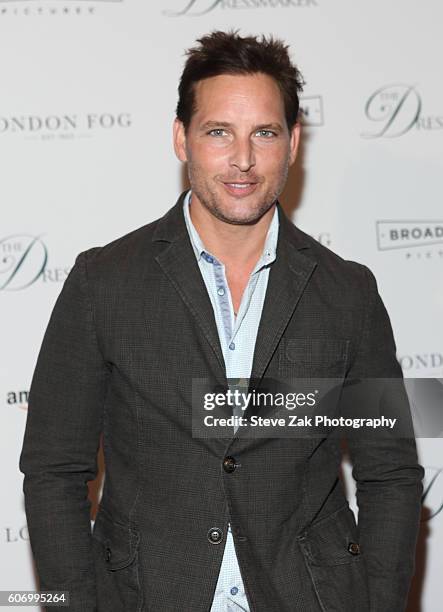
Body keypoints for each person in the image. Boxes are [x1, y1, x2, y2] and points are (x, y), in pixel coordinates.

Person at [20, 30, 424, 612]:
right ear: (181, 139)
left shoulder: (348, 292)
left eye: (264, 132)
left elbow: (390, 474)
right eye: (218, 132)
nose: (243, 159)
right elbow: (54, 470)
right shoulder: (102, 282)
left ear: (293, 143)